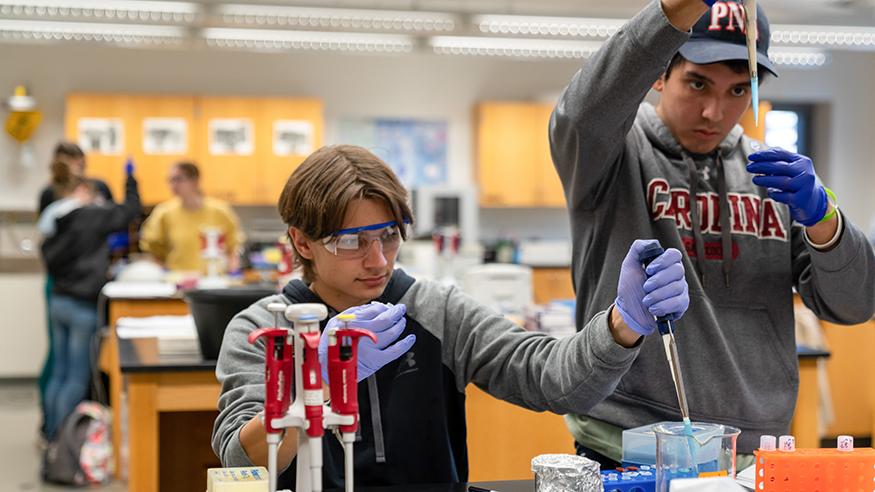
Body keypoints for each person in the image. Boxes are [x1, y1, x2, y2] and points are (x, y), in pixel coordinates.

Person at [212, 145, 691, 487]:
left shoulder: (435, 310)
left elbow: (550, 379)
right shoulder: (264, 330)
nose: (378, 260)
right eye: (351, 241)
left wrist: (622, 324)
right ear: (301, 242)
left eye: (389, 235)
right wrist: (307, 390)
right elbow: (245, 462)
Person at [550, 0, 875, 467]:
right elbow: (581, 115)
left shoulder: (774, 178)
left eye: (738, 90)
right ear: (659, 74)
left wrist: (825, 218)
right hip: (626, 442)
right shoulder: (611, 155)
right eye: (698, 83)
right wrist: (670, 12)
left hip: (750, 450)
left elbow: (854, 305)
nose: (713, 111)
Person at [38, 159, 140, 440]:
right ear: (84, 190)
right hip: (82, 306)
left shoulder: (56, 220)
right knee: (76, 378)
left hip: (59, 301)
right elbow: (130, 211)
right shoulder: (88, 215)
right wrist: (130, 178)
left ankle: (50, 436)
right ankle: (65, 445)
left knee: (59, 372)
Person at [139, 161, 245, 273]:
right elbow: (152, 247)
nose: (173, 185)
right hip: (178, 280)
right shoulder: (163, 213)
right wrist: (162, 272)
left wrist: (233, 270)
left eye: (178, 179)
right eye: (171, 180)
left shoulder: (220, 211)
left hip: (214, 280)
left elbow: (233, 246)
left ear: (195, 181)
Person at [38, 141, 113, 214]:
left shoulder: (100, 186)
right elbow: (46, 223)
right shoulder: (49, 193)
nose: (77, 163)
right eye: (70, 160)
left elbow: (112, 216)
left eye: (79, 159)